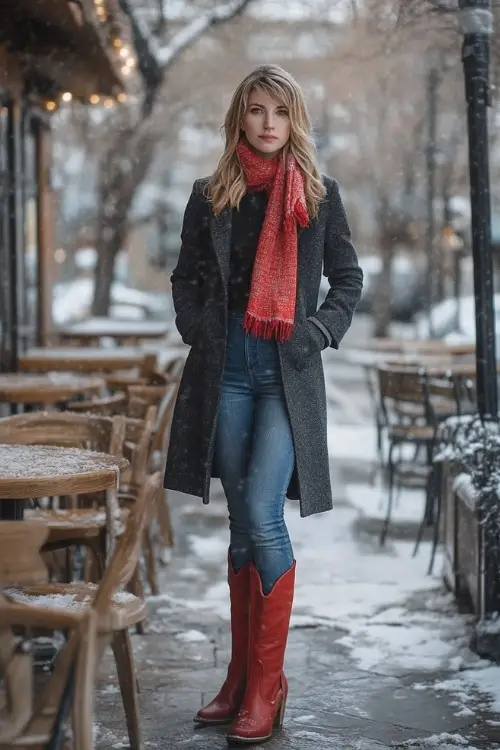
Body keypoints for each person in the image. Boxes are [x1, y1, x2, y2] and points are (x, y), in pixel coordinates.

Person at [163, 64, 363, 745]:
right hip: (227, 373)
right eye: (257, 111)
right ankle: (241, 681)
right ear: (241, 118)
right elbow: (185, 276)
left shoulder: (319, 196)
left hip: (285, 375)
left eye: (280, 111)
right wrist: (199, 329)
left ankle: (268, 686)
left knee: (261, 514)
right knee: (240, 528)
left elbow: (348, 279)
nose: (269, 122)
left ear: (294, 118)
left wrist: (317, 331)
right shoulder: (210, 195)